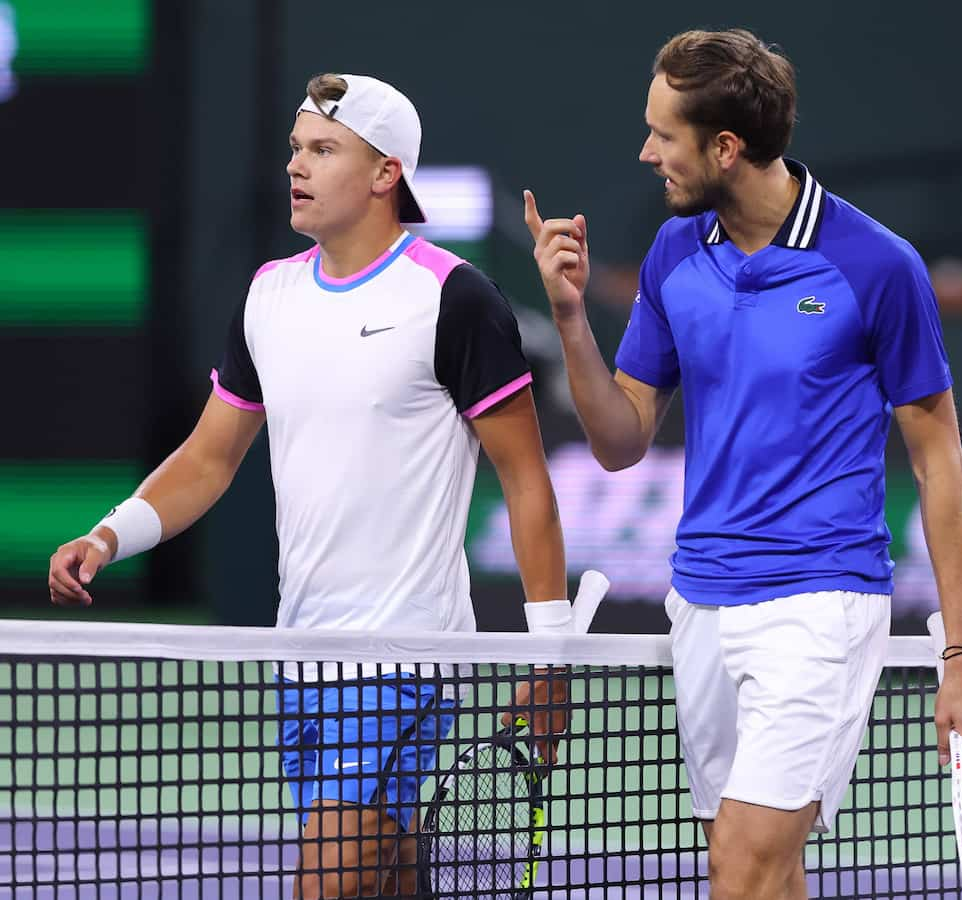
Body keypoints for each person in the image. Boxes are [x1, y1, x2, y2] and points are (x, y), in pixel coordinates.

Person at [47, 73, 571, 899]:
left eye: (324, 150)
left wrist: (551, 653)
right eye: (296, 148)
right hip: (302, 657)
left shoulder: (454, 299)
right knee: (387, 883)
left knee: (322, 887)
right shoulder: (269, 294)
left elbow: (526, 482)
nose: (297, 166)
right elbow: (208, 458)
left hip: (407, 658)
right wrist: (111, 533)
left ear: (384, 172)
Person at [524, 29, 962, 900]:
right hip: (700, 600)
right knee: (755, 873)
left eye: (665, 135)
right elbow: (621, 440)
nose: (646, 152)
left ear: (726, 148)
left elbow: (939, 461)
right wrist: (572, 319)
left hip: (819, 600)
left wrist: (960, 654)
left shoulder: (876, 266)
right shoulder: (673, 256)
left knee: (743, 861)